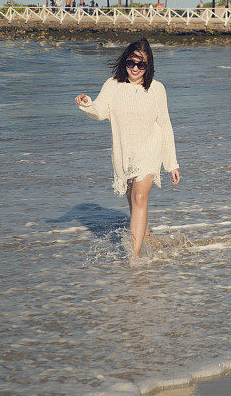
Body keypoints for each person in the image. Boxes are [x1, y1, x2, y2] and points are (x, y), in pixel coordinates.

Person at [75, 38, 180, 258]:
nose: (135, 68)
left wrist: (171, 163)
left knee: (140, 199)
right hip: (125, 151)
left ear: (148, 66)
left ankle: (134, 257)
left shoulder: (157, 89)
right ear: (125, 62)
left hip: (151, 148)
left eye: (141, 65)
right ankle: (147, 238)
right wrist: (87, 104)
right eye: (131, 62)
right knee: (133, 199)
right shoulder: (113, 85)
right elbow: (100, 112)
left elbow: (165, 124)